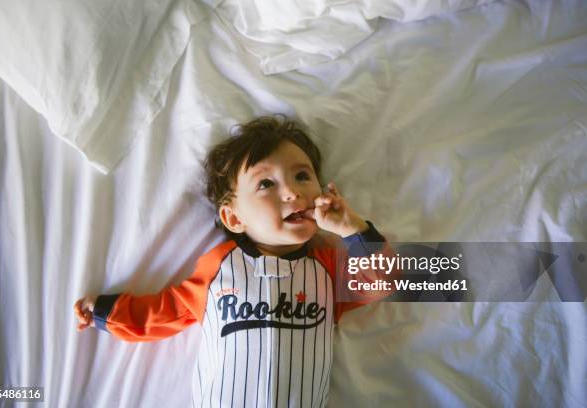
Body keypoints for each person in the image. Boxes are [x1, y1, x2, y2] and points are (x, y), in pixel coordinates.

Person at [74, 115, 394, 407]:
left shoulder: (326, 268)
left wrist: (352, 228)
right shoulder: (218, 269)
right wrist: (107, 313)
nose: (293, 193)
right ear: (234, 217)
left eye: (302, 176)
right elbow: (167, 310)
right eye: (266, 183)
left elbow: (387, 279)